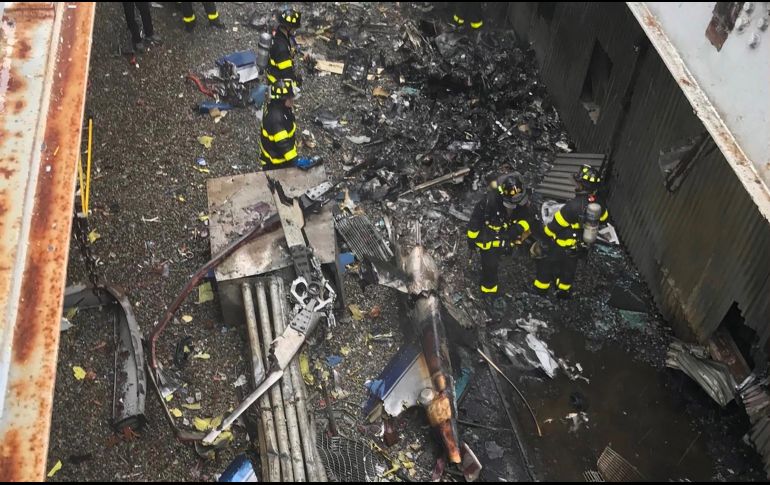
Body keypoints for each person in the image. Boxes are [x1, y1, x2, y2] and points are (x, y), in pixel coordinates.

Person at [533, 164, 609, 299]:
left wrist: (543, 239)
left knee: (546, 266)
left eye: (578, 182)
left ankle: (540, 292)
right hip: (578, 246)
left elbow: (554, 227)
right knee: (568, 271)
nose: (576, 185)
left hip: (560, 245)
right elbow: (603, 218)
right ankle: (562, 293)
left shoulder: (572, 206)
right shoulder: (598, 204)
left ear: (582, 185)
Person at [466, 173, 534, 296]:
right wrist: (471, 239)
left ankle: (504, 253)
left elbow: (528, 217)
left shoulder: (521, 199)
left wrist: (518, 229)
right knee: (490, 267)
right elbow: (475, 220)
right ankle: (488, 291)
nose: (516, 205)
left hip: (508, 235)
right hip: (490, 239)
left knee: (505, 253)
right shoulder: (488, 202)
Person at [259, 79, 298, 170]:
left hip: (277, 155)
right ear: (282, 100)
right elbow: (282, 142)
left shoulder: (278, 108)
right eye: (290, 98)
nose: (292, 100)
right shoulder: (276, 118)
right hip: (275, 162)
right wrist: (294, 159)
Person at [266, 8, 302, 88]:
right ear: (288, 27)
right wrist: (296, 83)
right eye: (294, 28)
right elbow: (287, 73)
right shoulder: (282, 48)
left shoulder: (278, 34)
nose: (295, 30)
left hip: (272, 73)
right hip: (276, 82)